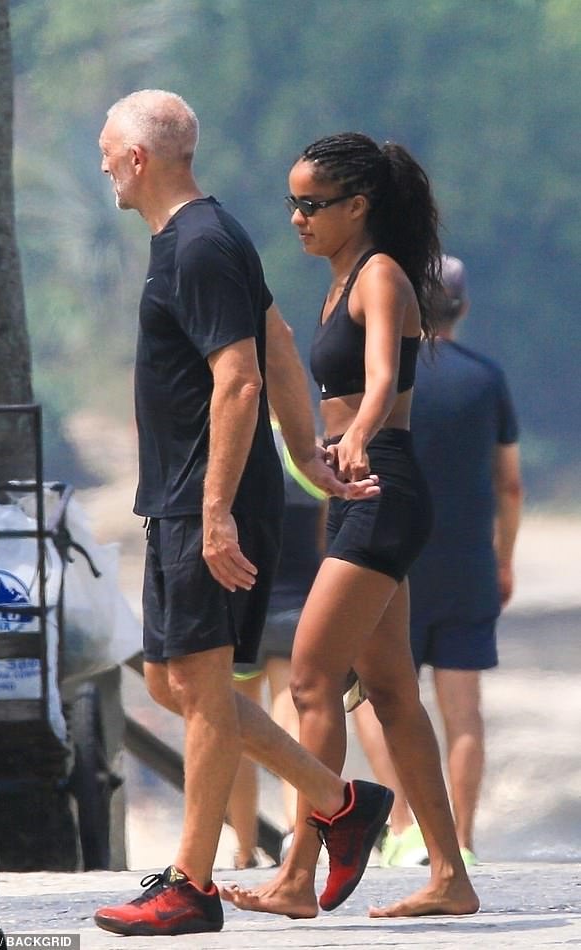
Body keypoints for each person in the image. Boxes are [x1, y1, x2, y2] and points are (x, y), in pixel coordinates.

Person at [93, 91, 389, 938]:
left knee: (204, 687)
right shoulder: (197, 239)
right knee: (175, 681)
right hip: (191, 494)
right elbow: (281, 342)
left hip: (205, 497)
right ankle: (342, 802)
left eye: (108, 150)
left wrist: (218, 511)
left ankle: (189, 886)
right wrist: (308, 457)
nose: (104, 164)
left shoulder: (199, 244)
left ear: (140, 157)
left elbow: (243, 376)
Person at [221, 133, 480, 919]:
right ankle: (449, 875)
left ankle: (299, 873)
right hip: (351, 494)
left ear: (356, 207)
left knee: (310, 678)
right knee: (394, 693)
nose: (297, 218)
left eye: (312, 204)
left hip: (383, 487)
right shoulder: (337, 281)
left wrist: (361, 431)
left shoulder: (382, 277)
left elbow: (380, 383)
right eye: (292, 203)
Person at [353, 255, 523, 868]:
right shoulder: (486, 377)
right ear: (464, 307)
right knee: (463, 708)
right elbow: (509, 485)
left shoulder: (385, 377)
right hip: (468, 561)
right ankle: (464, 840)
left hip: (393, 557)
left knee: (378, 695)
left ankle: (402, 823)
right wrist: (504, 561)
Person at [228, 416, 327, 869]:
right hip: (297, 608)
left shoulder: (231, 447)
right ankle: (294, 834)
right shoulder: (307, 449)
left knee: (235, 729)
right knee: (290, 724)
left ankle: (243, 847)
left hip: (243, 606)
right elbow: (325, 538)